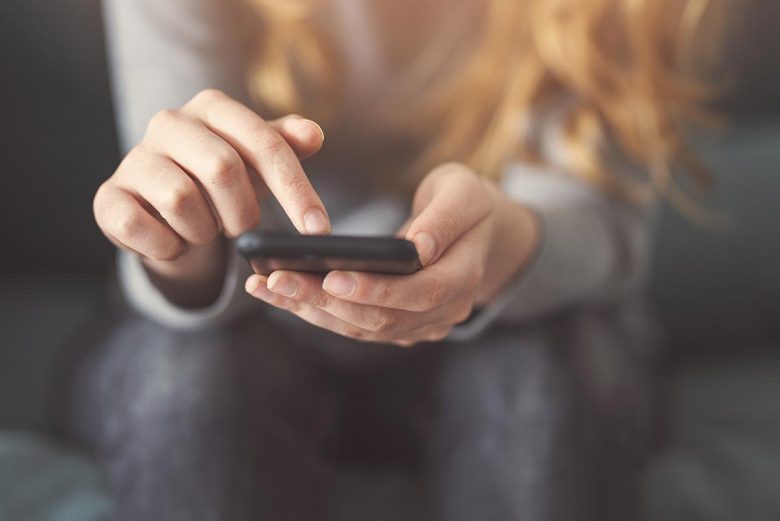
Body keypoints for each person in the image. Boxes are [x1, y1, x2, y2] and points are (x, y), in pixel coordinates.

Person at [64, 0, 724, 519]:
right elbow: (187, 208)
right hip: (245, 319)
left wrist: (499, 245)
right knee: (191, 387)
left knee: (540, 383)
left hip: (516, 311)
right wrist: (179, 244)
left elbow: (597, 223)